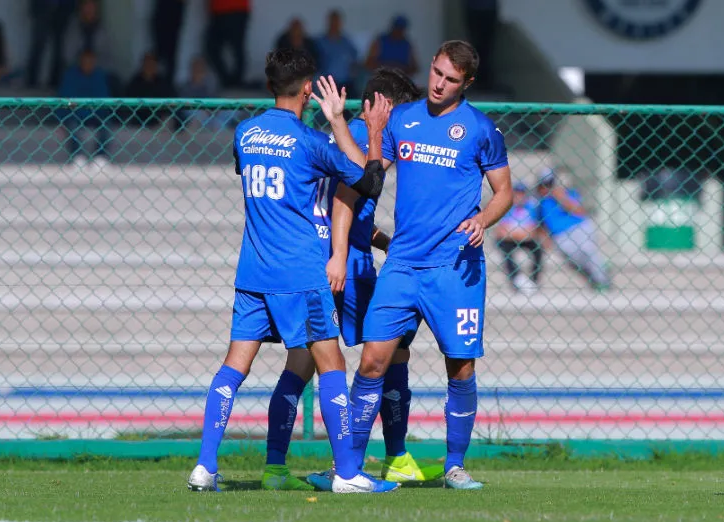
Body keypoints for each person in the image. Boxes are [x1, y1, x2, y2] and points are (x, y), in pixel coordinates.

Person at [186, 47, 397, 494]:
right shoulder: (311, 142)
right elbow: (369, 182)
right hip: (300, 274)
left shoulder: (244, 133)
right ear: (308, 90)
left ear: (269, 86)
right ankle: (347, 474)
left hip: (252, 273)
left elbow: (249, 171)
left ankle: (205, 466)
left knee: (233, 367)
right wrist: (342, 121)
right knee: (332, 362)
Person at [336, 40, 512, 490]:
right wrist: (369, 131)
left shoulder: (481, 129)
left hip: (454, 268)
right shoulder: (404, 119)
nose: (438, 84)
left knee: (461, 365)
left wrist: (482, 220)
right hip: (402, 265)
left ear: (466, 83)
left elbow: (505, 193)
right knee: (373, 361)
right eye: (436, 72)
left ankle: (454, 465)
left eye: (450, 79)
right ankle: (350, 470)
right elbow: (366, 177)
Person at [260, 68, 444, 492]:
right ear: (384, 107)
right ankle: (386, 459)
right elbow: (344, 200)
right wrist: (344, 255)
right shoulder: (367, 137)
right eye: (402, 111)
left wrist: (382, 241)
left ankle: (275, 466)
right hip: (344, 263)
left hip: (326, 255)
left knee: (304, 363)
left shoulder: (347, 135)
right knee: (389, 351)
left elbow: (346, 208)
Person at [535, 167, 611, 291]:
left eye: (550, 184)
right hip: (560, 235)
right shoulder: (540, 202)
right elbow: (540, 224)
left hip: (579, 227)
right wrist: (545, 239)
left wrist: (560, 197)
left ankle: (602, 281)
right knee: (575, 259)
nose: (547, 188)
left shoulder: (568, 193)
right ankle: (598, 273)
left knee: (588, 250)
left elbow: (580, 212)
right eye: (544, 185)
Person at [57, 48, 112, 169]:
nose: (88, 64)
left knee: (106, 123)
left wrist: (90, 108)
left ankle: (100, 157)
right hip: (75, 113)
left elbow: (103, 97)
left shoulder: (99, 75)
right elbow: (66, 99)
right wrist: (78, 107)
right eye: (85, 61)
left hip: (95, 112)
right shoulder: (71, 75)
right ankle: (78, 157)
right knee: (72, 125)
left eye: (90, 61)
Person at [493, 182, 543, 294]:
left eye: (522, 194)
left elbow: (533, 231)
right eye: (517, 194)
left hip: (524, 239)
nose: (520, 197)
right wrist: (521, 233)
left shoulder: (532, 206)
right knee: (505, 251)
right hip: (510, 240)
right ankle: (516, 278)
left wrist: (512, 232)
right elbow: (501, 231)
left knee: (538, 250)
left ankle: (533, 280)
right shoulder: (506, 206)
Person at [204, 0, 250, 89]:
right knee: (212, 48)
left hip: (236, 9)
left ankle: (236, 81)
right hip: (219, 10)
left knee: (236, 47)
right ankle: (228, 81)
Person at [315, 10, 358, 95]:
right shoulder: (320, 42)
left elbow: (355, 60)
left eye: (337, 21)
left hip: (346, 83)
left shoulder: (347, 42)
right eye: (333, 21)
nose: (335, 24)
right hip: (327, 82)